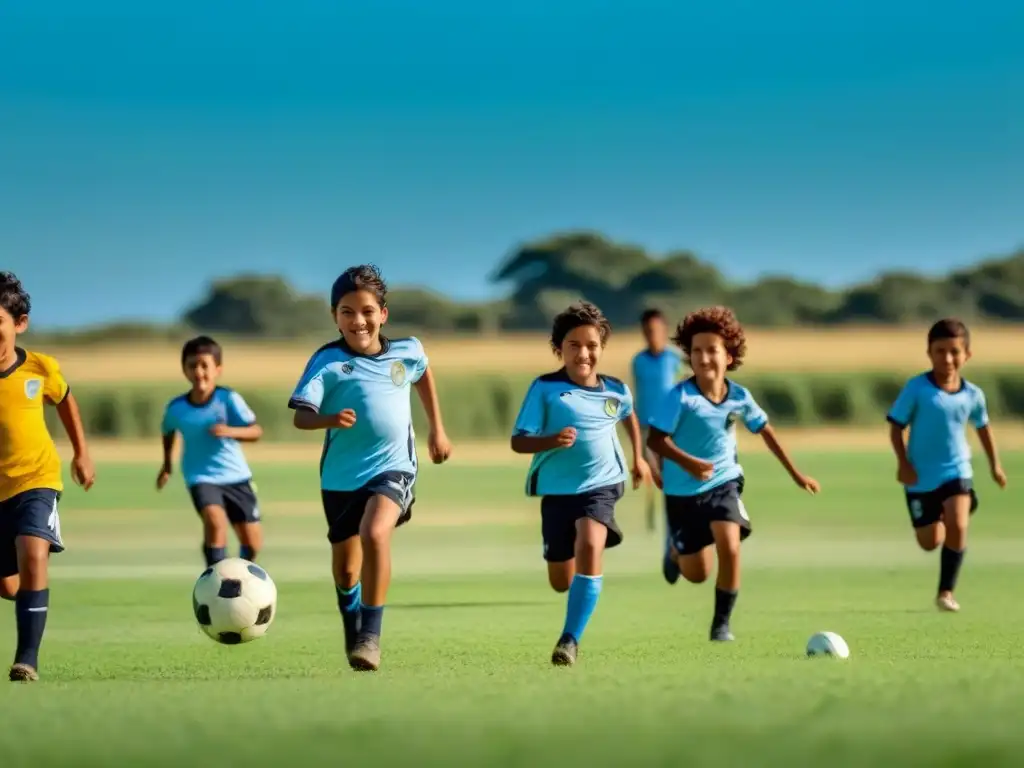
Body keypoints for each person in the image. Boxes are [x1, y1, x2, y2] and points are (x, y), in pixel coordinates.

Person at [289, 264, 452, 672]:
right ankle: (352, 622)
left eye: (366, 311)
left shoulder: (407, 351)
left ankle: (370, 636)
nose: (357, 321)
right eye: (347, 312)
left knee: (374, 532)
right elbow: (301, 417)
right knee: (346, 569)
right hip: (341, 478)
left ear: (383, 314)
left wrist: (437, 429)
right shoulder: (326, 361)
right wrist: (329, 419)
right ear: (334, 316)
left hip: (394, 468)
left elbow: (423, 372)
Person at [646, 306, 819, 642]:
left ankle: (721, 624)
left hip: (724, 481)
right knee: (697, 573)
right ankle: (676, 551)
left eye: (712, 350)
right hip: (683, 493)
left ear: (729, 356)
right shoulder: (680, 397)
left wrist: (796, 474)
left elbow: (765, 430)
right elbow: (655, 440)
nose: (704, 357)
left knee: (730, 543)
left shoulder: (739, 396)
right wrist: (689, 463)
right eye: (696, 350)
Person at [511, 301, 651, 666]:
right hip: (557, 491)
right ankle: (573, 590)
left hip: (602, 485)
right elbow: (518, 440)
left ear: (602, 348)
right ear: (560, 349)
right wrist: (550, 440)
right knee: (561, 579)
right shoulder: (545, 388)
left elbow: (629, 416)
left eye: (591, 345)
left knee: (591, 543)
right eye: (574, 345)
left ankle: (569, 640)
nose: (584, 353)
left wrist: (638, 458)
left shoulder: (616, 389)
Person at [0, 272, 95, 682]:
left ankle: (27, 659)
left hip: (36, 480)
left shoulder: (40, 368)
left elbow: (66, 400)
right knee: (9, 586)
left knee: (34, 551)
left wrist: (81, 453)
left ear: (18, 323)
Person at [887, 318, 1007, 612]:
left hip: (957, 470)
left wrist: (995, 465)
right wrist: (903, 463)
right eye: (940, 351)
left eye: (955, 351)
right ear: (929, 352)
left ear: (967, 354)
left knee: (959, 524)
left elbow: (983, 429)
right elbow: (896, 427)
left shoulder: (973, 395)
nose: (948, 358)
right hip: (920, 476)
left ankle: (946, 592)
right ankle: (945, 512)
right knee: (929, 542)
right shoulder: (917, 388)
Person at [157, 336, 265, 566]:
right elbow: (168, 432)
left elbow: (255, 431)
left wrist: (230, 431)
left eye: (204, 365)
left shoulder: (229, 399)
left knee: (253, 544)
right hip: (201, 476)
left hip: (237, 476)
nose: (199, 372)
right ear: (184, 370)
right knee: (215, 522)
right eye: (192, 365)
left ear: (217, 369)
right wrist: (167, 465)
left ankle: (240, 576)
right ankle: (215, 578)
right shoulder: (177, 408)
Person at [630, 308, 684, 573]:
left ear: (664, 331)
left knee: (677, 489)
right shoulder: (638, 362)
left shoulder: (676, 361)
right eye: (647, 331)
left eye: (656, 330)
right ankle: (671, 549)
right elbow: (638, 401)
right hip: (650, 436)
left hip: (673, 433)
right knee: (666, 490)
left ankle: (675, 548)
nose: (652, 336)